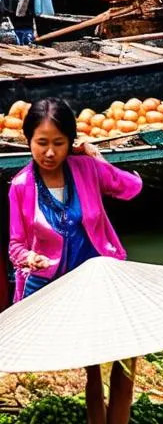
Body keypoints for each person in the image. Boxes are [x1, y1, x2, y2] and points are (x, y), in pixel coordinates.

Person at [8, 98, 142, 301]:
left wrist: (97, 157)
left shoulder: (87, 168)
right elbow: (15, 247)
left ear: (70, 142)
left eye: (59, 143)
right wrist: (30, 258)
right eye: (41, 143)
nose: (50, 153)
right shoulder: (20, 185)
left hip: (96, 278)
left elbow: (130, 187)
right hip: (44, 286)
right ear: (29, 140)